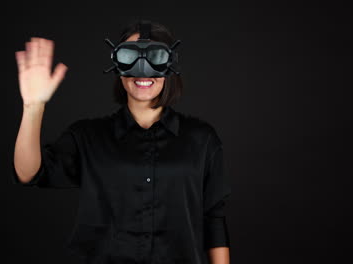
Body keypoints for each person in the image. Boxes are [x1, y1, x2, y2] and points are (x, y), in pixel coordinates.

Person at [12, 19, 231, 264]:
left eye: (155, 56)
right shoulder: (88, 136)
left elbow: (214, 218)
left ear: (170, 64)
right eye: (130, 56)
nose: (142, 68)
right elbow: (28, 173)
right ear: (117, 64)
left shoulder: (202, 140)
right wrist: (33, 107)